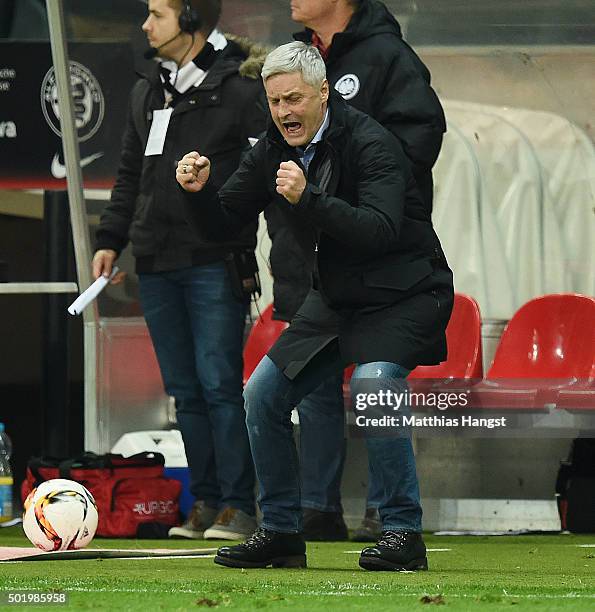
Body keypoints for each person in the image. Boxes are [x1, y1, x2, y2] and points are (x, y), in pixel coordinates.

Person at [176, 42, 453, 570]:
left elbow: (379, 230)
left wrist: (310, 201)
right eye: (275, 101)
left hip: (405, 292)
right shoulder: (271, 149)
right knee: (261, 394)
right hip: (337, 297)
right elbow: (223, 224)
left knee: (375, 385)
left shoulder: (373, 142)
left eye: (294, 99)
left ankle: (401, 533)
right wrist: (198, 193)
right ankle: (281, 531)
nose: (284, 112)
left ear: (324, 93)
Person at [262, 0, 447, 541]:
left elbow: (421, 135)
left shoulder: (387, 55)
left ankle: (391, 517)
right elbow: (267, 159)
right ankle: (310, 511)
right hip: (308, 254)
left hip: (380, 260)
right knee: (291, 389)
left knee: (374, 382)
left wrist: (361, 191)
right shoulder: (294, 58)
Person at [92, 0, 267, 541]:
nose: (146, 25)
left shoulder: (239, 87)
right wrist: (111, 240)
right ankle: (208, 501)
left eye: (158, 14)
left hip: (214, 258)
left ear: (191, 19)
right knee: (185, 391)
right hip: (156, 259)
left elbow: (258, 171)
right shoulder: (151, 88)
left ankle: (240, 505)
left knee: (219, 385)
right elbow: (129, 174)